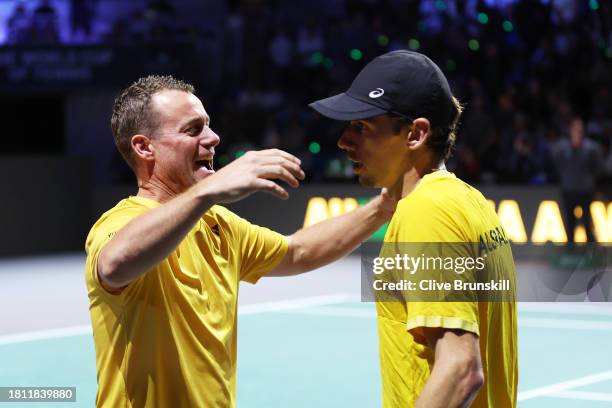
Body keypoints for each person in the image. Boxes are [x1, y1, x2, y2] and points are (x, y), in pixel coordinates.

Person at [85, 75, 395, 407]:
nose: (213, 138)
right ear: (144, 147)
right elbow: (115, 263)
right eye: (193, 130)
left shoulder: (218, 224)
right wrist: (207, 192)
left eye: (208, 125)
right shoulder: (121, 221)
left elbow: (298, 251)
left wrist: (385, 206)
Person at [309, 50, 518, 407]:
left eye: (362, 127)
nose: (344, 141)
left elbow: (461, 368)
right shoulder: (468, 201)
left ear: (415, 134)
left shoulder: (427, 211)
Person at [551, 116, 603, 245]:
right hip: (568, 190)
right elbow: (556, 165)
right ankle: (570, 252)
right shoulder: (562, 148)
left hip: (585, 190)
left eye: (580, 128)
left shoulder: (591, 148)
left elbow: (597, 167)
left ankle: (592, 253)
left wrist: (590, 180)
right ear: (570, 129)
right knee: (570, 223)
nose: (577, 130)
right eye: (575, 128)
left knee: (587, 222)